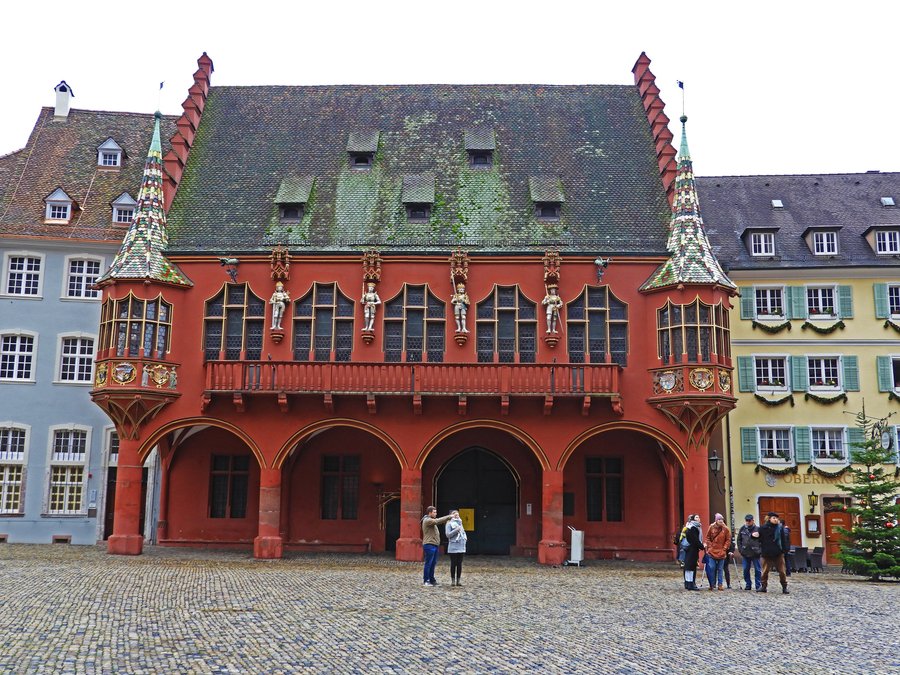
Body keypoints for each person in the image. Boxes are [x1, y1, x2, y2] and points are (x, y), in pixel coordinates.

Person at [758, 512, 789, 594]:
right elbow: (759, 539)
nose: (775, 520)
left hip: (778, 552)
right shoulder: (763, 528)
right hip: (767, 553)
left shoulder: (779, 528)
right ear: (769, 519)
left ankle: (784, 587)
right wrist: (753, 536)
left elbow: (783, 540)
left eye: (776, 518)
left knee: (782, 571)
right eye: (774, 518)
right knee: (765, 571)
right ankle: (763, 586)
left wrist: (785, 550)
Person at [421, 506, 453, 587]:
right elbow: (438, 521)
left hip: (434, 545)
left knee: (433, 563)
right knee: (428, 563)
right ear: (429, 513)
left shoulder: (431, 520)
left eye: (436, 512)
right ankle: (426, 580)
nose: (436, 513)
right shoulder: (427, 520)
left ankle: (432, 579)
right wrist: (449, 517)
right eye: (434, 512)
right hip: (429, 545)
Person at [704, 513, 731, 591]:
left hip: (721, 551)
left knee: (720, 569)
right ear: (716, 520)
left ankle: (720, 584)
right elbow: (707, 537)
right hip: (712, 551)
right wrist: (710, 546)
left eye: (721, 519)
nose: (721, 521)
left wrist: (724, 549)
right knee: (712, 567)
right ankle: (712, 584)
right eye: (719, 519)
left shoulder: (726, 529)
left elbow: (728, 540)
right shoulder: (711, 527)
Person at [738, 514, 762, 591]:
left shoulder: (758, 529)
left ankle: (758, 585)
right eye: (746, 520)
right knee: (745, 569)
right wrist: (741, 549)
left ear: (753, 520)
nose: (748, 522)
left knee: (758, 570)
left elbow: (762, 541)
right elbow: (739, 540)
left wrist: (760, 550)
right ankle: (748, 584)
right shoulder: (743, 529)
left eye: (749, 520)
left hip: (755, 552)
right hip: (745, 552)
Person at [445, 509, 468, 586]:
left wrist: (465, 537)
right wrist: (456, 530)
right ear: (451, 516)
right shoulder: (449, 524)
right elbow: (448, 535)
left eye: (458, 515)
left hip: (461, 547)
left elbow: (463, 532)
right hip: (453, 547)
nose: (457, 516)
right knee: (453, 564)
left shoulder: (460, 523)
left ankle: (458, 580)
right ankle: (453, 581)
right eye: (455, 515)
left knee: (459, 564)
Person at [682, 514, 705, 590]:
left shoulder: (690, 526)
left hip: (689, 549)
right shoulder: (693, 528)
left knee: (689, 567)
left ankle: (688, 583)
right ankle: (690, 584)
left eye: (699, 517)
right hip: (692, 549)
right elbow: (695, 540)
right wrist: (702, 546)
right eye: (696, 517)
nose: (698, 518)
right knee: (691, 567)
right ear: (693, 519)